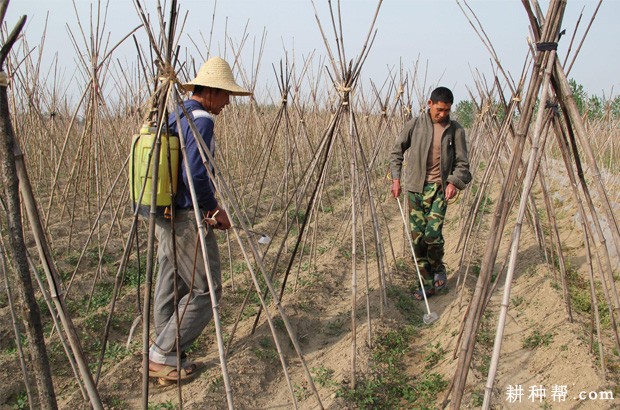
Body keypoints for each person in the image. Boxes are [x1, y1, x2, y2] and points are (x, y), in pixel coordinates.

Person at [148, 57, 251, 382]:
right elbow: (195, 172)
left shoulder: (176, 114)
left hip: (164, 211)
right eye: (225, 95)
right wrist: (211, 209)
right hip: (186, 216)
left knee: (172, 280)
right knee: (207, 290)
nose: (227, 103)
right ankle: (163, 353)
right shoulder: (202, 119)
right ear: (210, 91)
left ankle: (163, 350)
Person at [389, 86, 471, 300]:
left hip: (439, 191)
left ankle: (438, 268)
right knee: (417, 241)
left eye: (447, 110)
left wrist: (453, 182)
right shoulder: (415, 125)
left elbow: (463, 164)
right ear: (430, 104)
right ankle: (426, 285)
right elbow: (397, 152)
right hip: (415, 190)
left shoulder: (456, 131)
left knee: (432, 235)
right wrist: (396, 179)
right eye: (439, 109)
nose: (443, 114)